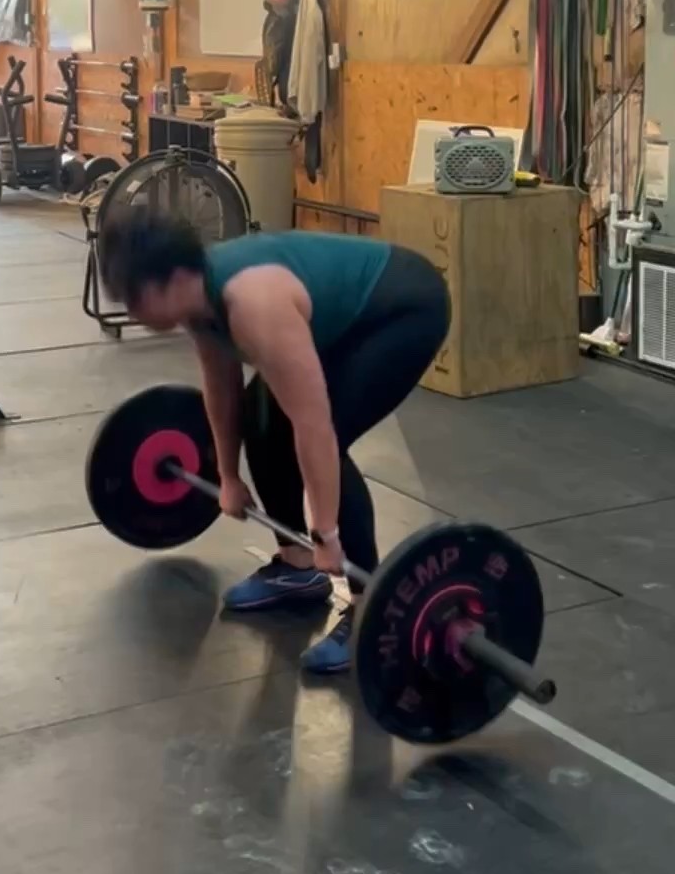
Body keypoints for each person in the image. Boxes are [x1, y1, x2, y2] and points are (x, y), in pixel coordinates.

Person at [98, 209, 451, 675]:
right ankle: (295, 564)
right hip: (338, 317)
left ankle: (371, 608)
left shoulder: (252, 305)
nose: (133, 311)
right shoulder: (199, 302)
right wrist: (226, 474)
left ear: (171, 278)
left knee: (326, 438)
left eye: (135, 297)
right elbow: (220, 385)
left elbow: (313, 424)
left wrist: (326, 532)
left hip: (402, 310)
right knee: (262, 422)